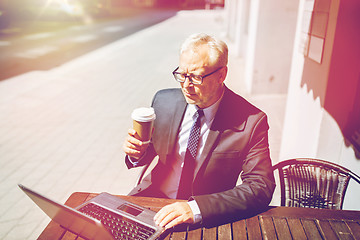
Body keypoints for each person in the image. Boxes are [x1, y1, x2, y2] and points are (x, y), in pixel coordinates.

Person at [123, 33, 275, 229]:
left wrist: (195, 209)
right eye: (182, 74)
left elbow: (260, 187)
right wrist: (136, 152)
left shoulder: (252, 121)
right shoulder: (163, 101)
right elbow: (149, 150)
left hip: (205, 218)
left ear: (222, 75)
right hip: (152, 201)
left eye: (195, 77)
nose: (186, 85)